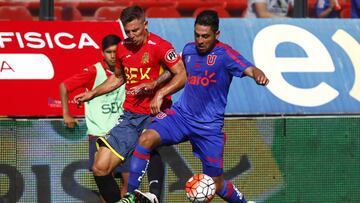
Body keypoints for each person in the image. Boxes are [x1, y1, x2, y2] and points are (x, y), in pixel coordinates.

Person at [121, 10, 269, 203]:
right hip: (181, 117)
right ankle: (131, 196)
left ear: (216, 35)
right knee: (146, 138)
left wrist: (257, 74)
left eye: (205, 36)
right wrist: (157, 85)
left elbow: (248, 67)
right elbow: (175, 69)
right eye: (197, 35)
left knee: (214, 183)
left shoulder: (225, 54)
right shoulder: (189, 50)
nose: (200, 40)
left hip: (208, 128)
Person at [74, 5, 186, 203]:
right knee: (100, 168)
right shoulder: (122, 48)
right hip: (130, 116)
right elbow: (118, 78)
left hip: (155, 113)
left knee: (148, 141)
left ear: (145, 24)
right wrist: (92, 93)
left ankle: (153, 196)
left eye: (136, 30)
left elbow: (182, 74)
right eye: (128, 31)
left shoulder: (160, 46)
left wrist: (160, 93)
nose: (132, 35)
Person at [59, 34, 129, 201]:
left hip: (124, 133)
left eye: (115, 51)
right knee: (105, 181)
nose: (112, 56)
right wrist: (66, 113)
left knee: (130, 182)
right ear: (102, 53)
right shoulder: (93, 72)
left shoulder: (129, 69)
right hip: (100, 135)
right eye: (108, 52)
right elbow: (64, 86)